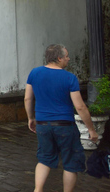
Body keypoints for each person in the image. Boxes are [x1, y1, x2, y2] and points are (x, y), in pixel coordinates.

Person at [25, 44, 98, 192]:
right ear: (59, 58)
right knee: (70, 162)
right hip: (65, 125)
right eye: (66, 56)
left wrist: (30, 118)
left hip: (43, 124)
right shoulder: (69, 78)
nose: (68, 59)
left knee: (45, 159)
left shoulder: (34, 73)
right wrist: (91, 129)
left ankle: (38, 190)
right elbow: (80, 107)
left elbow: (28, 99)